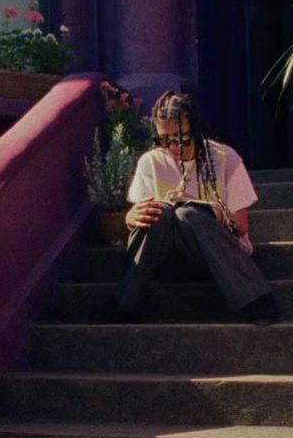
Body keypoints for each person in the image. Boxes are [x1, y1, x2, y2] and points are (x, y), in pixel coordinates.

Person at [116, 92, 281, 323]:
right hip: (169, 256)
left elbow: (242, 227)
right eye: (164, 140)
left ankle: (255, 299)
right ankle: (125, 303)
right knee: (160, 213)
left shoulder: (225, 158)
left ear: (196, 130)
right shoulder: (151, 162)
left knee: (188, 213)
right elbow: (142, 222)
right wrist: (131, 218)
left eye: (182, 139)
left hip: (217, 257)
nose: (173, 147)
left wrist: (216, 213)